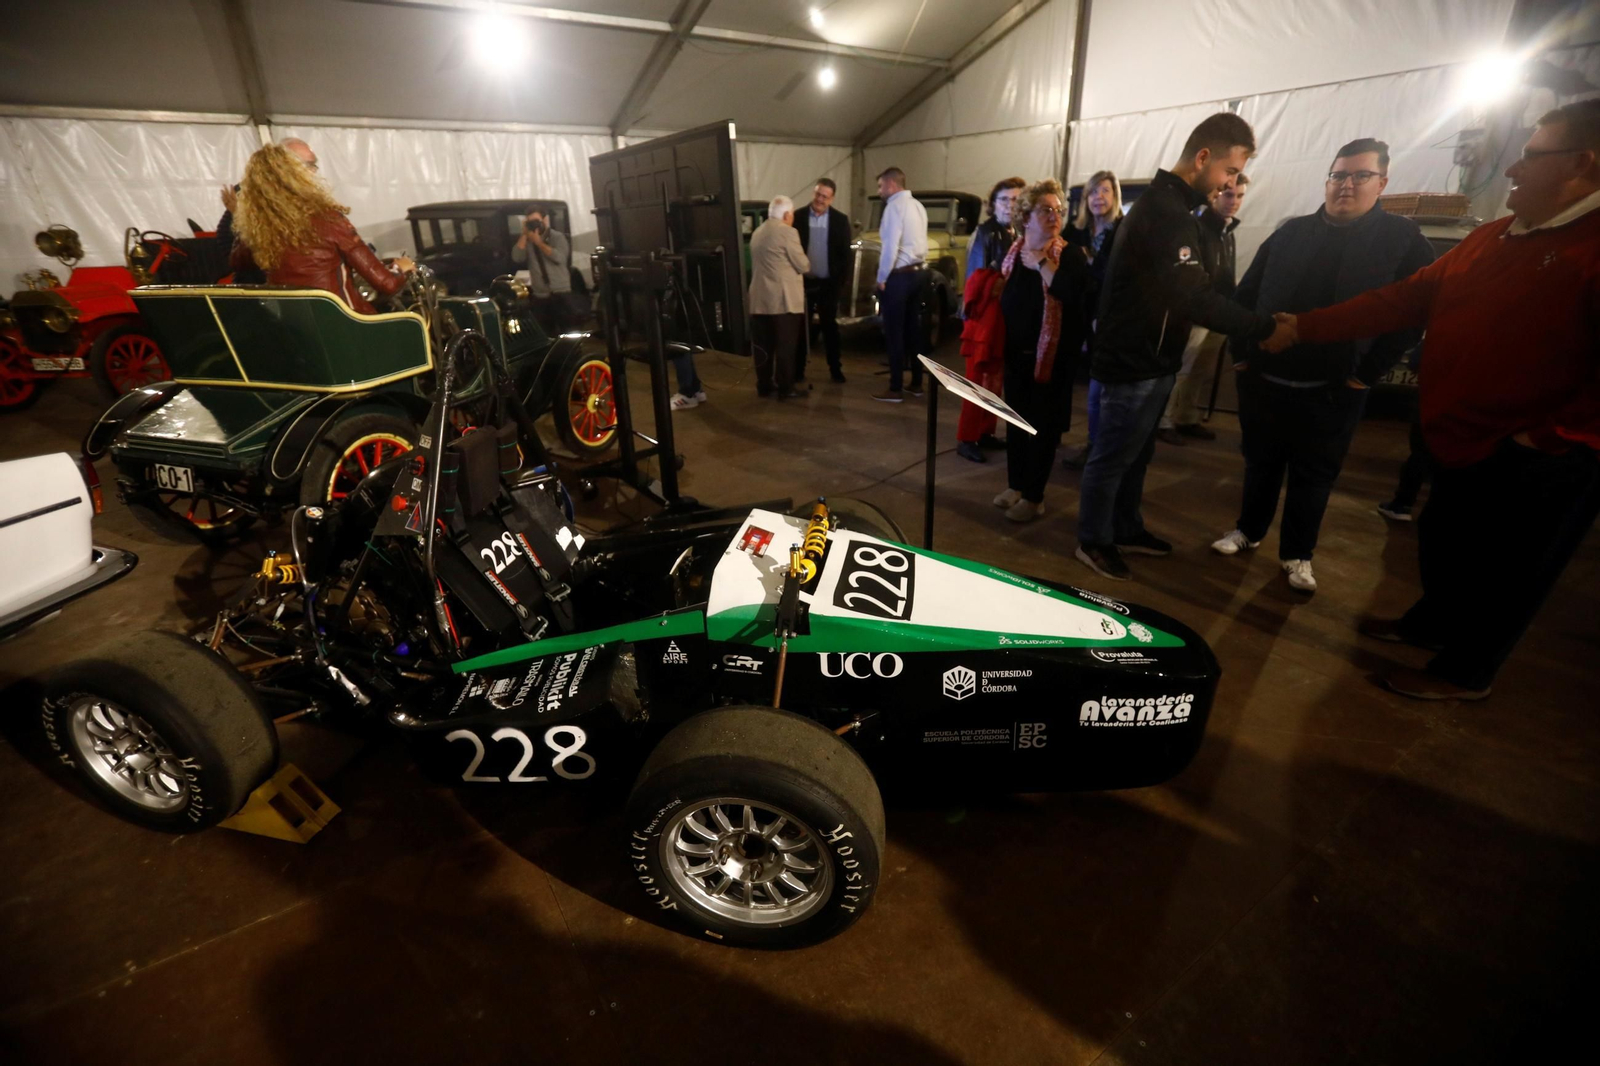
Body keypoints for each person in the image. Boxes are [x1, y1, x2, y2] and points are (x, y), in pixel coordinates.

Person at [1265, 99, 1600, 699]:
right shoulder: (1500, 235)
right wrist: (1306, 325)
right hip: (1461, 433)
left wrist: (1541, 440)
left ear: (1583, 163)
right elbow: (1402, 301)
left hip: (1538, 455)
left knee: (1509, 569)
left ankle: (1466, 672)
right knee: (1447, 539)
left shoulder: (1590, 247)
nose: (1514, 170)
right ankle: (1432, 624)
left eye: (1531, 155)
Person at [1210, 139, 1434, 593]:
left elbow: (1416, 313)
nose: (1346, 185)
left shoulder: (1402, 240)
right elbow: (1246, 298)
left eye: (1360, 176)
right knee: (1260, 465)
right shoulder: (1291, 231)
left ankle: (1297, 554)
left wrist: (1367, 372)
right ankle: (1249, 531)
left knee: (1314, 475)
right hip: (1267, 379)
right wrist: (1242, 357)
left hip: (1334, 388)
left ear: (1382, 183)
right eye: (1338, 175)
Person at [1075, 113, 1289, 581]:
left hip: (1154, 359)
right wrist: (1263, 327)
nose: (1232, 182)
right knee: (1111, 459)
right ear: (1203, 158)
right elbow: (1193, 296)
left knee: (1137, 455)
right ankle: (1093, 540)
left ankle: (1126, 528)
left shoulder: (1175, 211)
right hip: (1132, 363)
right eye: (1231, 171)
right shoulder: (1164, 213)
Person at [991, 179, 1093, 522]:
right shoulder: (1013, 253)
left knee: (1042, 429)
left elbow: (1076, 298)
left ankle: (1035, 497)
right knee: (1016, 423)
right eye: (1045, 209)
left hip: (1052, 362)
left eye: (1058, 210)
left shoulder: (1069, 255)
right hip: (1016, 356)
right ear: (1025, 216)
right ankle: (1016, 485)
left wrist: (1042, 265)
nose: (1054, 216)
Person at [231, 142, 412, 313]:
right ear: (296, 177)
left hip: (293, 326)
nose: (313, 172)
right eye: (308, 167)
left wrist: (243, 217)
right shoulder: (328, 219)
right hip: (343, 322)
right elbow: (386, 283)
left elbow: (237, 262)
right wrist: (401, 269)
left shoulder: (259, 229)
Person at [1157, 171, 1250, 445]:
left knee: (1199, 371)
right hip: (1197, 314)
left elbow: (1222, 273)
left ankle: (1185, 417)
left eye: (1240, 195)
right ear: (1216, 193)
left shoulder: (1226, 230)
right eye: (1229, 194)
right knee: (1182, 370)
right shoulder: (1197, 228)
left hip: (1217, 313)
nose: (1234, 201)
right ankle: (1163, 421)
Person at [956, 176, 1025, 463]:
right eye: (1004, 199)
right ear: (993, 204)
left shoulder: (1013, 232)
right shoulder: (986, 233)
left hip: (1001, 319)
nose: (1010, 205)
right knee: (977, 381)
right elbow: (975, 282)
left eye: (1015, 200)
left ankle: (985, 431)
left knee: (994, 381)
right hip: (983, 320)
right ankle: (966, 437)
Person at [1060, 169, 1124, 469]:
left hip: (1106, 317)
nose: (1099, 197)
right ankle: (1058, 433)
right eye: (1093, 192)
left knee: (1099, 389)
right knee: (1066, 377)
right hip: (1075, 313)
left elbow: (1118, 278)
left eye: (1105, 191)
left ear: (1115, 196)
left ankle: (1096, 446)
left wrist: (1087, 263)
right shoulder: (1075, 232)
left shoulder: (1123, 232)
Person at [219, 137, 317, 284]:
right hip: (258, 285)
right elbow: (226, 239)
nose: (313, 172)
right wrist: (241, 219)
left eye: (314, 165)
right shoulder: (250, 192)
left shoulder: (309, 196)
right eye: (307, 165)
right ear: (283, 164)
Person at [871, 167, 929, 402]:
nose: (880, 191)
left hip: (899, 277)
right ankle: (916, 383)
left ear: (891, 184)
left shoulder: (894, 207)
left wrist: (881, 278)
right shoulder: (917, 206)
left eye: (880, 186)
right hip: (918, 274)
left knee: (894, 333)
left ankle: (895, 388)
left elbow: (890, 247)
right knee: (913, 331)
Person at [747, 194, 811, 399]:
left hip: (759, 299)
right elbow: (803, 265)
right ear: (786, 215)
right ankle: (786, 387)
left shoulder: (757, 232)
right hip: (783, 301)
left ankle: (764, 385)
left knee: (763, 347)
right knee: (785, 346)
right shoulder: (788, 232)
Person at [794, 178, 851, 384]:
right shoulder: (798, 216)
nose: (819, 199)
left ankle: (835, 369)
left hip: (829, 284)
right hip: (804, 284)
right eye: (817, 194)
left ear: (832, 198)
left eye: (824, 196)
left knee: (830, 327)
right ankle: (797, 370)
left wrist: (841, 283)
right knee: (802, 328)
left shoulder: (840, 220)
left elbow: (846, 255)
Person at [510, 207, 574, 336]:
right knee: (544, 332)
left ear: (545, 220)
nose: (535, 224)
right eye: (530, 221)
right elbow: (517, 258)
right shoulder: (527, 240)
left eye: (536, 221)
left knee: (566, 331)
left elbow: (560, 258)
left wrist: (539, 243)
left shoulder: (557, 237)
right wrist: (524, 233)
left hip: (560, 291)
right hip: (540, 295)